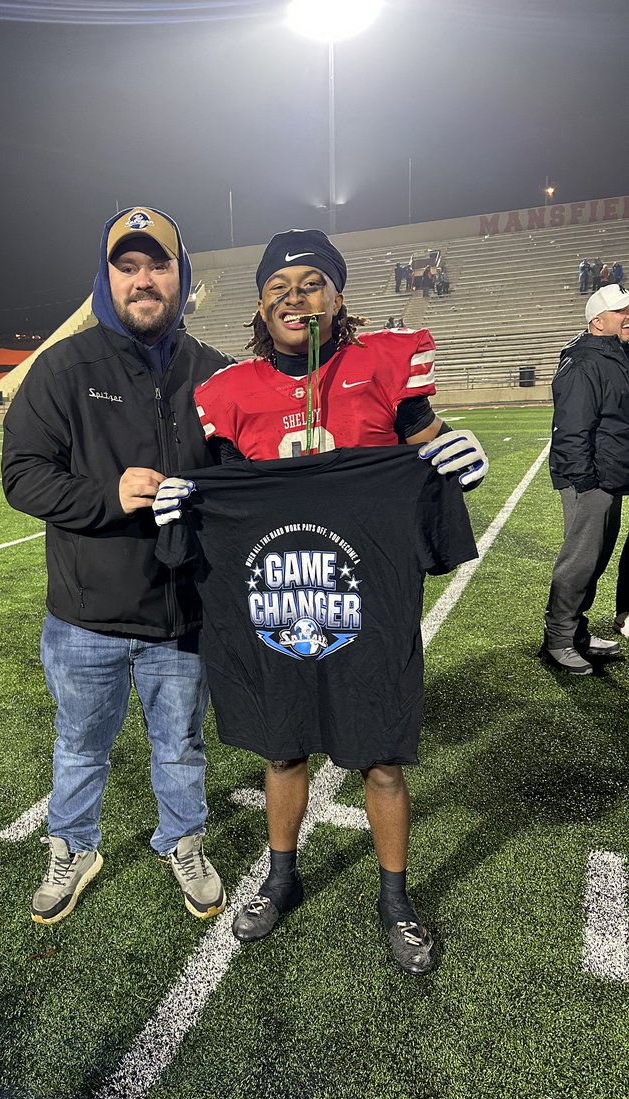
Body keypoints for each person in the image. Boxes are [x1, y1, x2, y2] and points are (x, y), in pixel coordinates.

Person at [153, 229, 488, 975]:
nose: (294, 296)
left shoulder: (383, 367)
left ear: (339, 297)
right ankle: (281, 875)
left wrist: (459, 460)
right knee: (283, 745)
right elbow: (213, 487)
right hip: (274, 598)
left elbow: (427, 447)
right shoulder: (228, 391)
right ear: (260, 302)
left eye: (312, 283)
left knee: (382, 761)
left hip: (365, 599)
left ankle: (395, 897)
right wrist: (186, 500)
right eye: (279, 285)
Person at [2, 206, 232, 925]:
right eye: (126, 266)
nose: (143, 280)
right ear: (105, 278)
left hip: (182, 611)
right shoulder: (63, 368)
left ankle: (182, 840)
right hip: (86, 616)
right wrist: (110, 495)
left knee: (182, 747)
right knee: (78, 746)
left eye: (157, 264)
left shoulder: (217, 374)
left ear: (180, 275)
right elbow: (22, 476)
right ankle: (74, 845)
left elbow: (246, 481)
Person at [542, 283, 629, 673]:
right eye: (621, 312)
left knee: (594, 560)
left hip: (608, 474)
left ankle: (575, 631)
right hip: (590, 478)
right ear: (598, 321)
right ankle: (558, 639)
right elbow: (573, 429)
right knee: (579, 561)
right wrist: (585, 482)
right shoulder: (584, 361)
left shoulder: (613, 354)